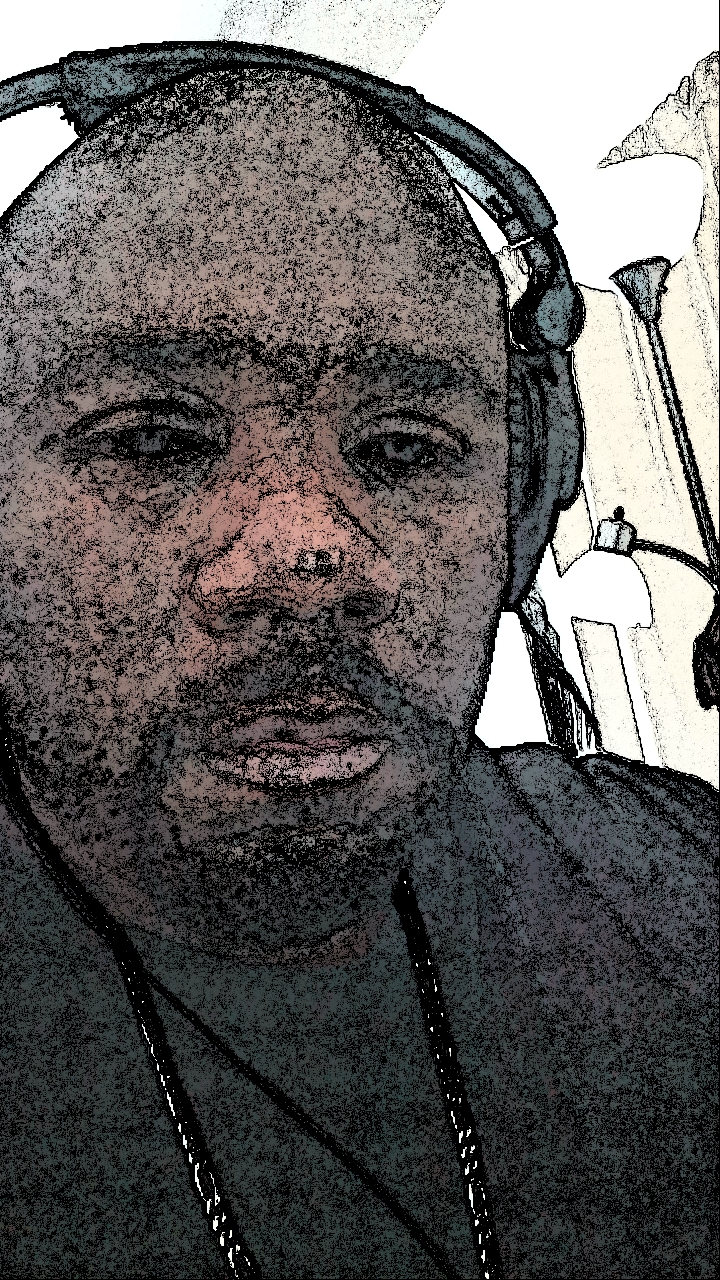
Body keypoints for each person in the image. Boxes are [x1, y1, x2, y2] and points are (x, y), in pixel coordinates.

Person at [0, 51, 716, 1280]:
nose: (309, 554)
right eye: (156, 439)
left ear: (525, 495)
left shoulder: (673, 877)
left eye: (404, 446)